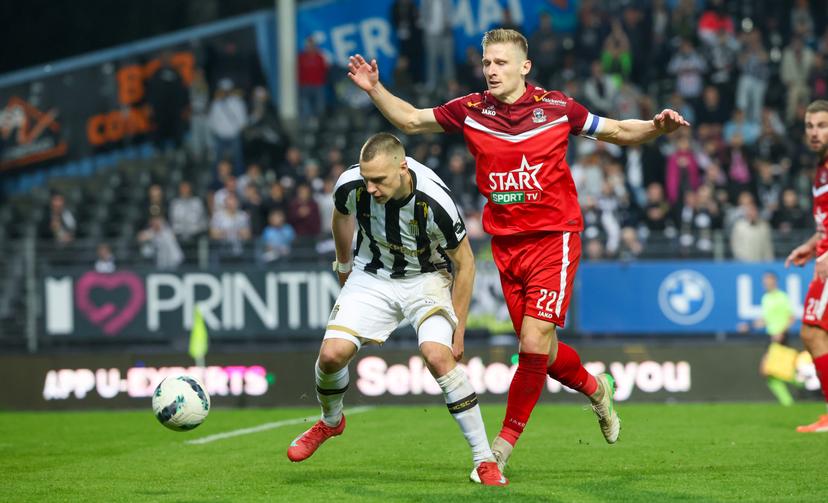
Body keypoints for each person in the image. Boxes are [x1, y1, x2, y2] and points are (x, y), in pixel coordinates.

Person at [347, 28, 689, 477]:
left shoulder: (557, 108)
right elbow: (410, 120)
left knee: (530, 343)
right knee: (542, 355)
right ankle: (597, 389)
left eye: (501, 63)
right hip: (506, 246)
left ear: (524, 67)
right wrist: (375, 89)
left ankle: (500, 449)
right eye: (487, 63)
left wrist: (656, 127)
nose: (491, 70)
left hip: (554, 237)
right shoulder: (470, 110)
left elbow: (620, 130)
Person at [286, 133, 508, 486]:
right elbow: (341, 217)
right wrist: (343, 265)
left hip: (427, 278)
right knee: (331, 355)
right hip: (372, 274)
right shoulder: (350, 185)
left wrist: (459, 329)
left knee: (438, 356)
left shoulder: (436, 202)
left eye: (379, 180)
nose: (370, 187)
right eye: (366, 178)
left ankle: (485, 460)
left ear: (402, 168)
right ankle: (331, 422)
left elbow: (465, 264)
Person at [785, 100, 828, 432]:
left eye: (822, 125)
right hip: (822, 255)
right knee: (814, 331)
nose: (815, 133)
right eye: (810, 126)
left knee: (812, 331)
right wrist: (811, 246)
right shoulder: (820, 169)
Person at [753, 272, 796, 406]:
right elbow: (767, 319)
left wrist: (781, 332)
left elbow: (791, 318)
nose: (766, 282)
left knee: (769, 369)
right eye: (764, 280)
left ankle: (808, 384)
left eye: (769, 279)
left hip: (780, 337)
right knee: (772, 371)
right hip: (770, 336)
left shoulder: (782, 297)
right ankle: (787, 402)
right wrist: (750, 325)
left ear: (775, 281)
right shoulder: (765, 298)